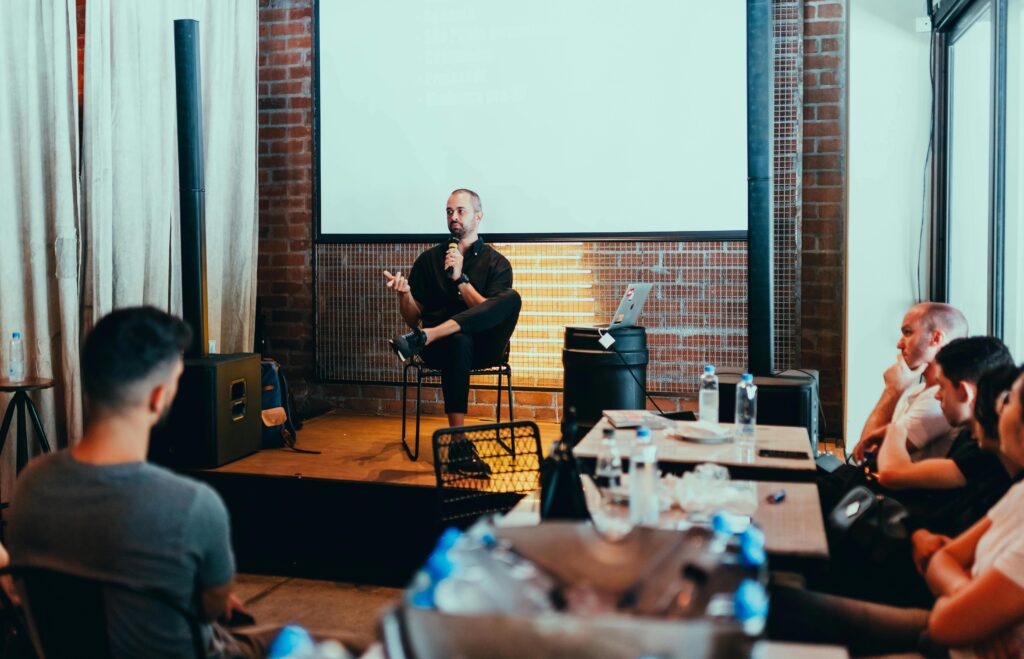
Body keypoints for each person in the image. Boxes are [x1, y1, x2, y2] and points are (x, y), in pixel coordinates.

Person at [5, 307, 363, 657]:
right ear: (159, 397)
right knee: (351, 646)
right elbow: (213, 607)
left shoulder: (31, 486)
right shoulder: (192, 505)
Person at [769, 366, 1024, 657]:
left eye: (1010, 400)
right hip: (945, 621)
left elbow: (944, 620)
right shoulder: (1019, 493)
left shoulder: (992, 471)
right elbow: (943, 557)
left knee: (787, 601)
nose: (1001, 408)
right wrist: (973, 608)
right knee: (778, 601)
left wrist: (966, 606)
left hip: (942, 633)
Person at [383, 189, 522, 434]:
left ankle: (429, 334)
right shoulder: (428, 261)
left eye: (460, 211)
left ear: (478, 216)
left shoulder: (497, 263)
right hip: (441, 351)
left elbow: (489, 315)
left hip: (485, 348)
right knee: (458, 339)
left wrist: (461, 280)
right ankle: (458, 440)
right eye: (449, 212)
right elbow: (413, 317)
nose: (453, 217)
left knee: (511, 298)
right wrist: (405, 295)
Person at [853, 303, 968, 464]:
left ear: (936, 339)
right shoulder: (920, 390)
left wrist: (892, 390)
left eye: (908, 332)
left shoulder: (936, 400)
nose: (899, 344)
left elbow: (867, 455)